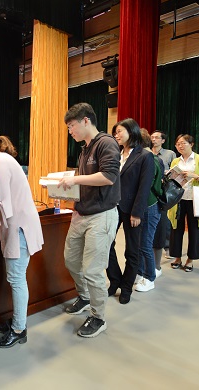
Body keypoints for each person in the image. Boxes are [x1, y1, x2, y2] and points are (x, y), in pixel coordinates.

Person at [0, 128, 44, 349]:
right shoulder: (2, 161)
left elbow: (2, 199)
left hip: (18, 226)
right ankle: (17, 321)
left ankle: (19, 329)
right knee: (16, 277)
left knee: (16, 278)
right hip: (17, 224)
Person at [58, 102, 119, 338]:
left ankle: (98, 316)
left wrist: (75, 180)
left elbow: (109, 176)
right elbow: (86, 181)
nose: (70, 131)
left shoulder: (106, 143)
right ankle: (84, 297)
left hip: (101, 215)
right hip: (81, 213)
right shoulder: (85, 149)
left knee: (93, 270)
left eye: (71, 126)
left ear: (86, 121)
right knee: (71, 261)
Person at [107, 119, 154, 302]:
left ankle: (126, 287)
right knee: (106, 245)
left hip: (132, 208)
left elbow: (144, 187)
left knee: (132, 251)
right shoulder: (115, 154)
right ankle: (115, 280)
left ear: (131, 132)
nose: (116, 135)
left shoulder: (144, 156)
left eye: (119, 131)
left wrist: (137, 212)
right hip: (112, 206)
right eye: (115, 132)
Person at [167, 134, 199, 272]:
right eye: (178, 144)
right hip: (178, 199)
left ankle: (190, 259)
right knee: (176, 229)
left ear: (191, 144)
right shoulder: (176, 161)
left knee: (194, 230)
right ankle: (177, 257)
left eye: (183, 143)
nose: (180, 146)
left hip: (195, 199)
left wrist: (194, 176)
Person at [135, 128, 163, 291]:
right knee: (139, 244)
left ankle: (149, 277)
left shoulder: (149, 158)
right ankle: (140, 273)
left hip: (150, 205)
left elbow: (149, 186)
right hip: (142, 205)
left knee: (145, 243)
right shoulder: (143, 157)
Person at [150, 130, 176, 259]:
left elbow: (175, 171)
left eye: (157, 137)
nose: (154, 139)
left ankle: (167, 247)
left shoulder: (169, 154)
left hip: (164, 189)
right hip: (150, 190)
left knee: (165, 221)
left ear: (163, 140)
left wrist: (166, 175)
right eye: (152, 137)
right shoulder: (147, 152)